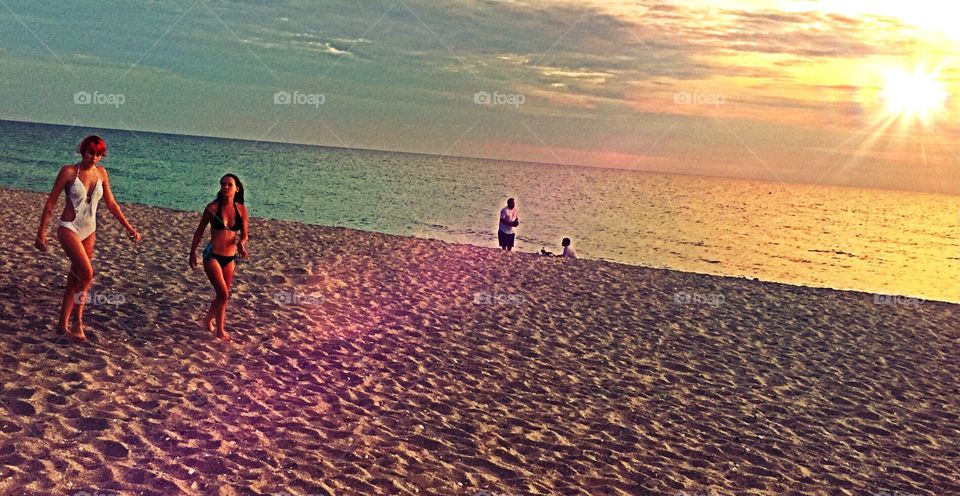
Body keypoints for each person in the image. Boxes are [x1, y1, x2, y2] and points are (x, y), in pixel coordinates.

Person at [34, 135, 141, 342]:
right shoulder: (68, 172)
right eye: (91, 152)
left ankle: (61, 325)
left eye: (99, 154)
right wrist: (41, 232)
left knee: (74, 279)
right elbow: (51, 203)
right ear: (82, 151)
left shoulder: (102, 173)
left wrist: (129, 228)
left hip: (89, 231)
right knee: (88, 274)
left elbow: (111, 203)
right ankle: (77, 323)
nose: (94, 157)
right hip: (69, 228)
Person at [189, 174, 249, 341]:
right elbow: (199, 230)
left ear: (237, 188)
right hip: (212, 256)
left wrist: (242, 244)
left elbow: (244, 235)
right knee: (223, 295)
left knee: (222, 295)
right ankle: (220, 331)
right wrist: (192, 252)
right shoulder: (212, 208)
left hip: (230, 258)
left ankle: (207, 320)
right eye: (223, 184)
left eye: (229, 184)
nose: (225, 187)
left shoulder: (242, 209)